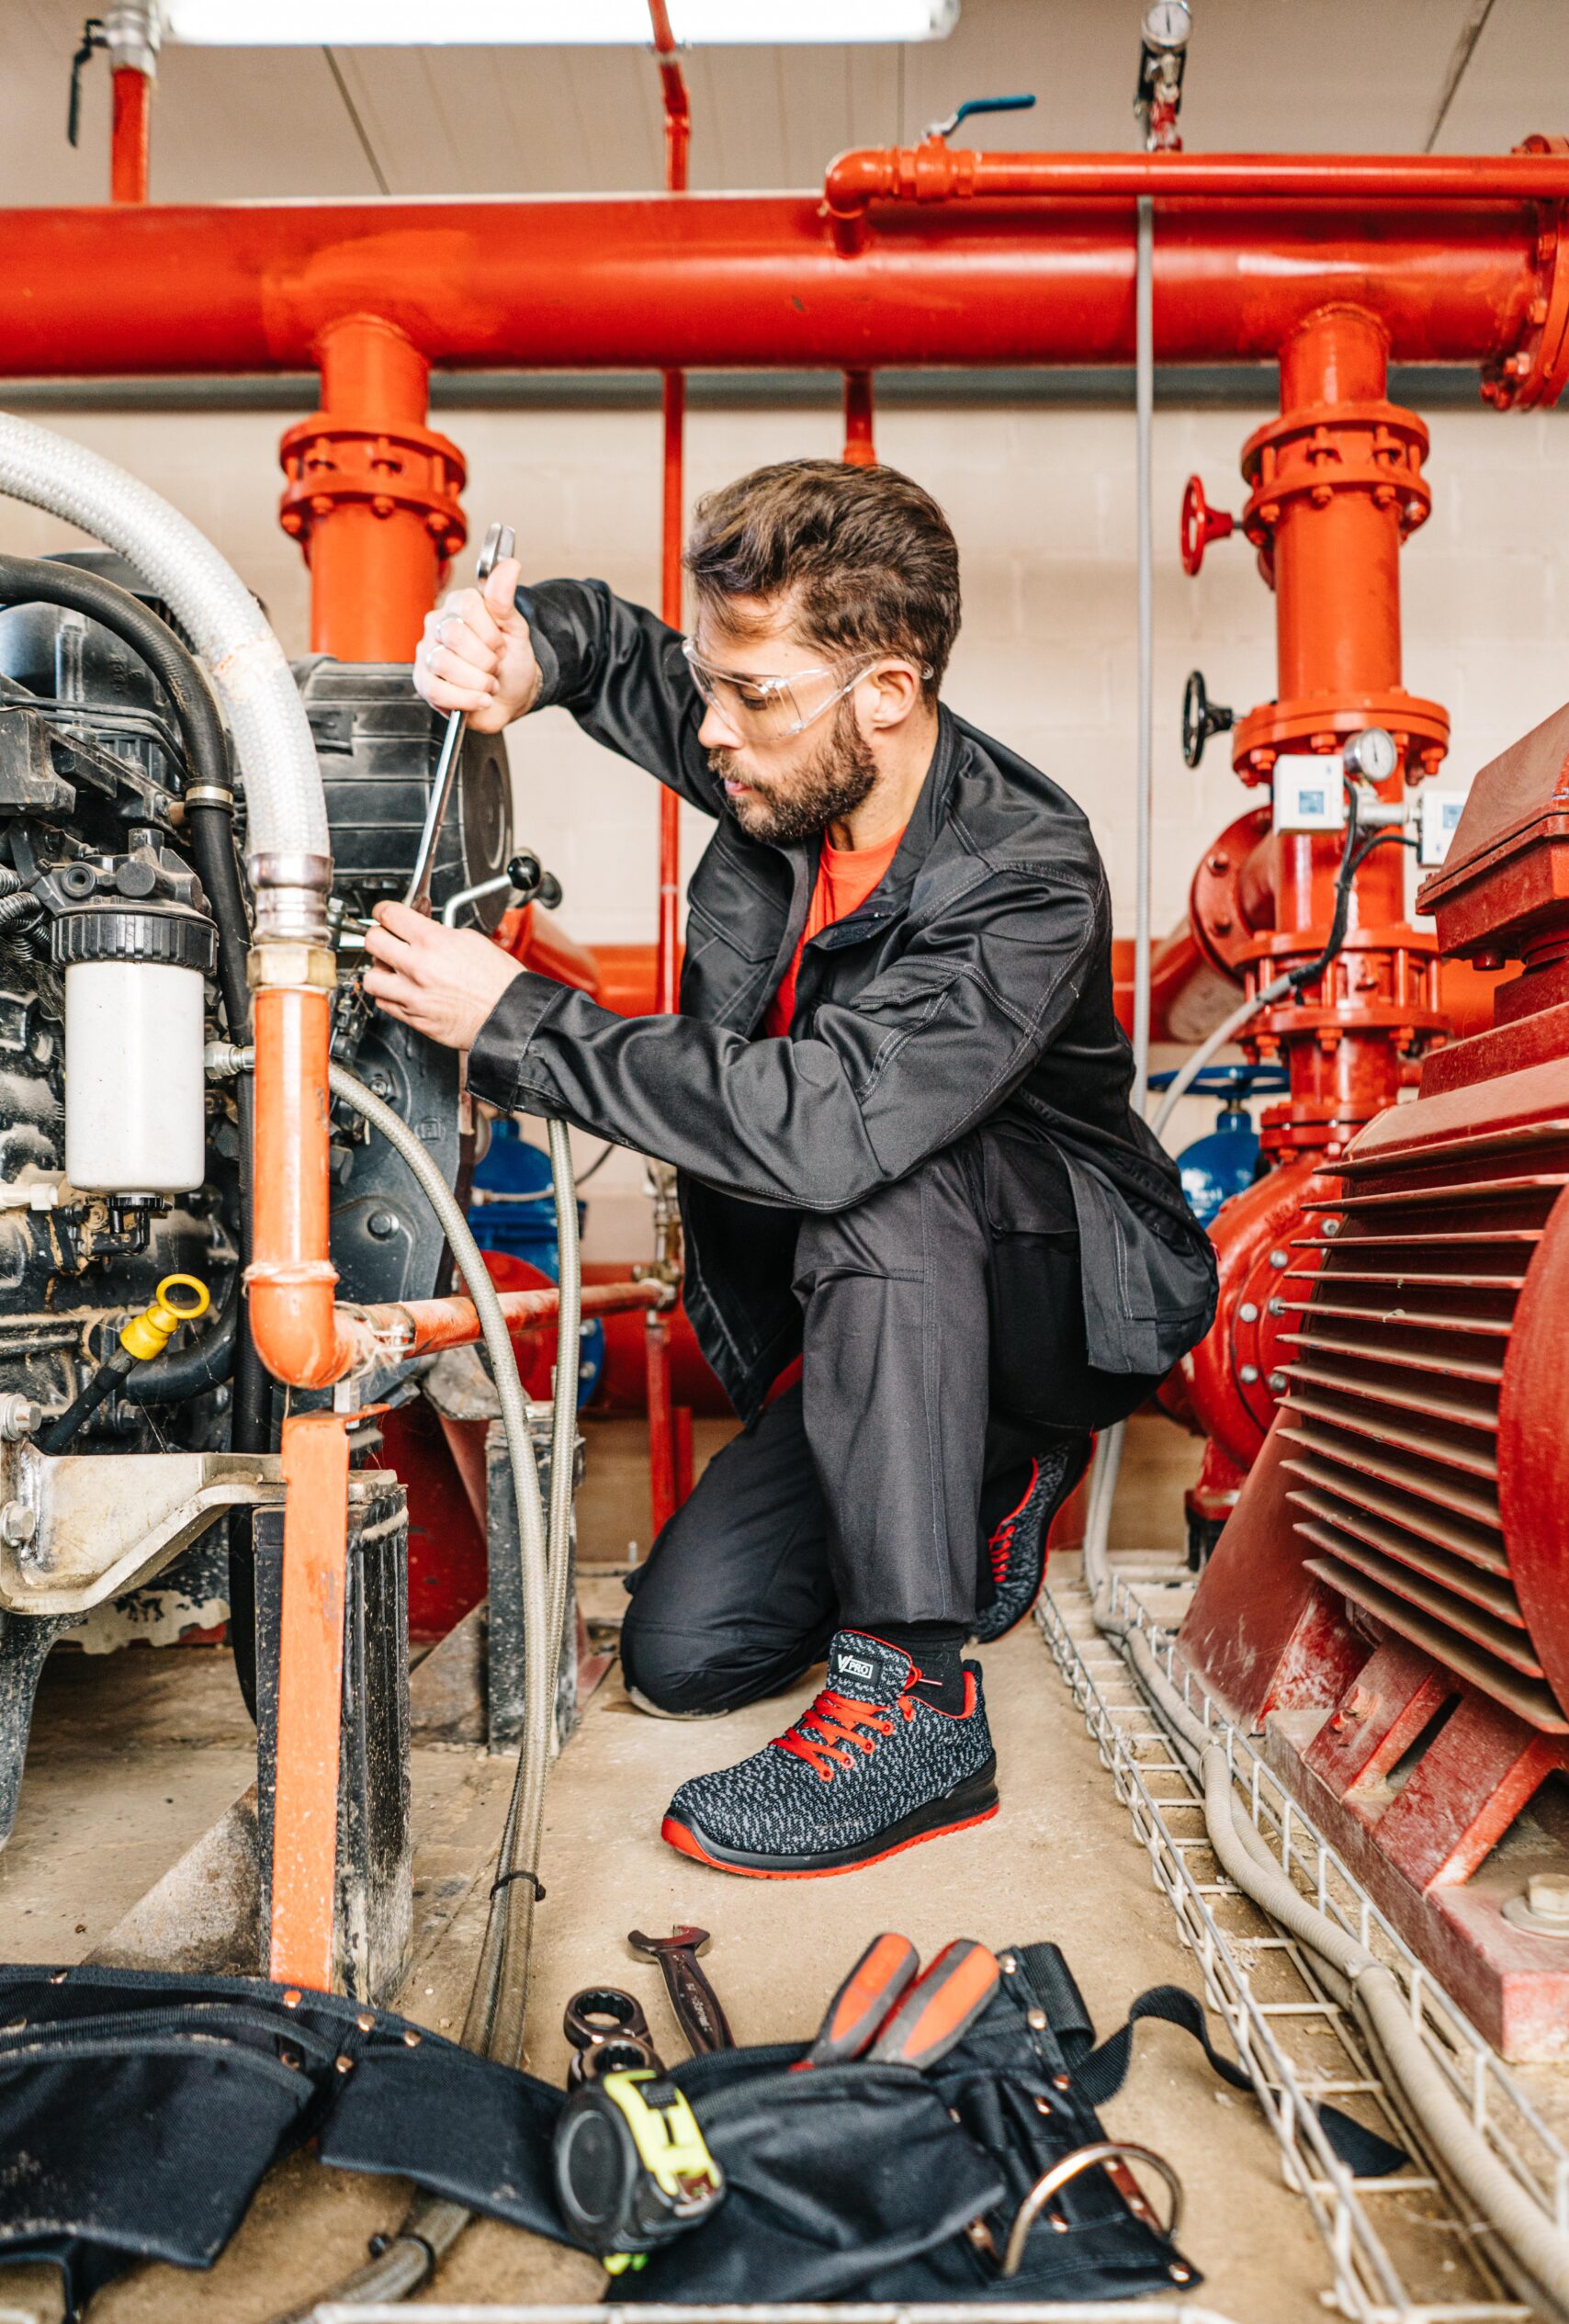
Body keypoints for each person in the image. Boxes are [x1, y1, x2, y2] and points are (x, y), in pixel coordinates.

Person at [365, 457, 1216, 1881]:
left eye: (749, 696)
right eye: (715, 683)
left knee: (876, 1162)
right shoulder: (783, 745)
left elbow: (830, 1124)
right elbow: (619, 652)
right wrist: (528, 650)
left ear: (885, 693)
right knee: (686, 1653)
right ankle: (983, 1481)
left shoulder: (1027, 871)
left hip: (1057, 1296)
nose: (712, 728)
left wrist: (517, 1021)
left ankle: (917, 1707)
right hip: (875, 1310)